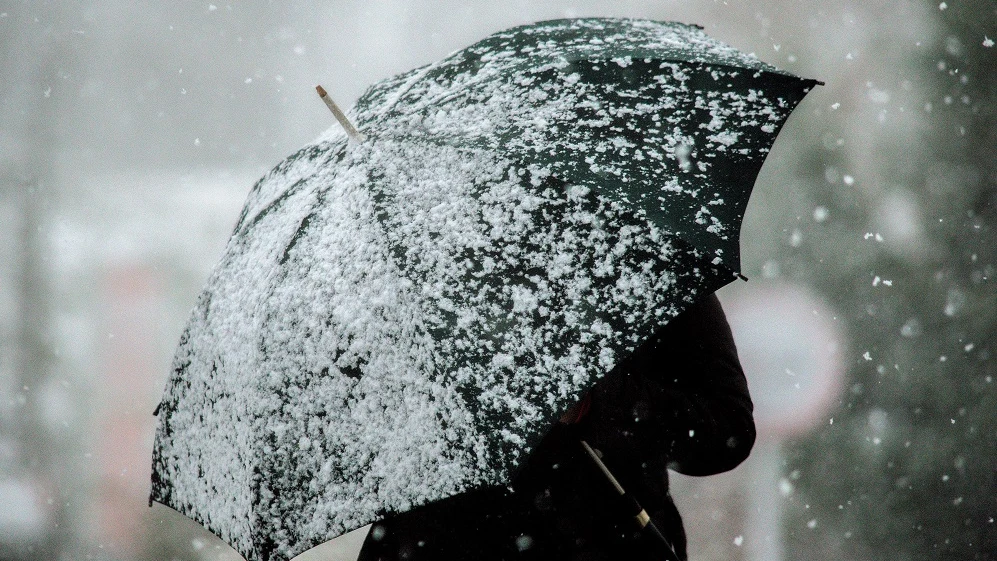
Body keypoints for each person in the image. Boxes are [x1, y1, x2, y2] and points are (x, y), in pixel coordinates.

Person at [357, 292, 754, 561]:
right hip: (439, 541)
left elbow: (725, 431)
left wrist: (597, 404)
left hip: (606, 540)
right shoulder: (395, 276)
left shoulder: (628, 239)